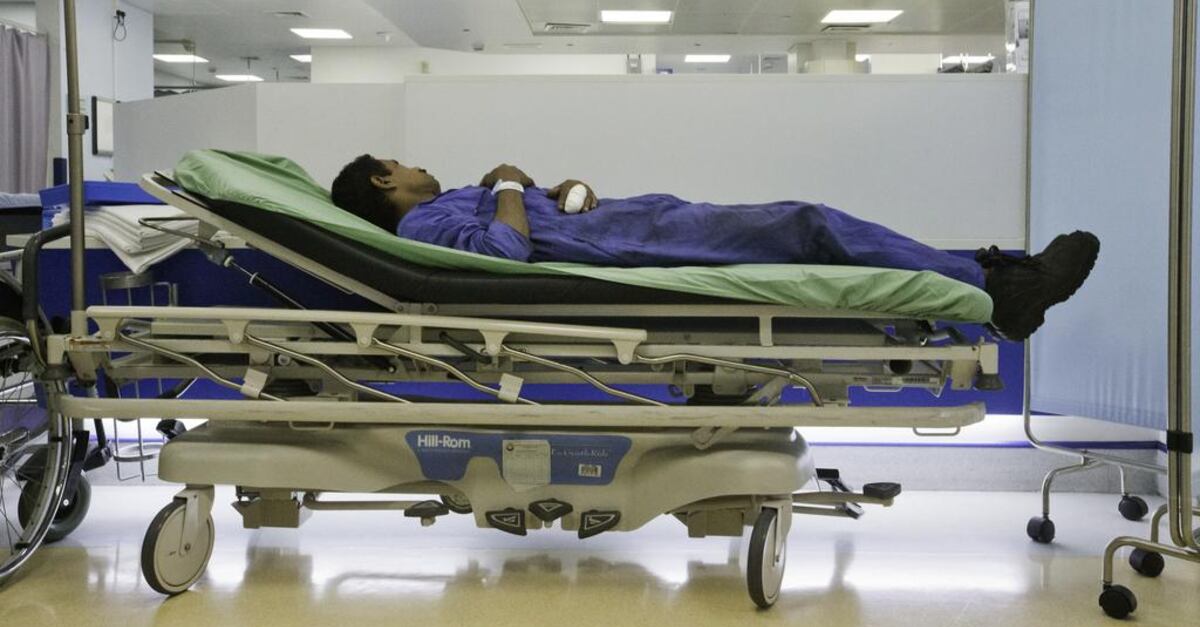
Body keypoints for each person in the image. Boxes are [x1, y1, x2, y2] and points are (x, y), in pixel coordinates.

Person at [330, 155, 1099, 341]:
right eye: (400, 163)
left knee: (809, 227)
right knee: (807, 225)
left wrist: (559, 186)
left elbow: (524, 218)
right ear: (382, 181)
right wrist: (505, 183)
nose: (416, 165)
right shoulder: (417, 227)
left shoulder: (446, 202)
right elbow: (503, 253)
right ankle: (1002, 287)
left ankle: (994, 280)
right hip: (630, 243)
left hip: (628, 220)